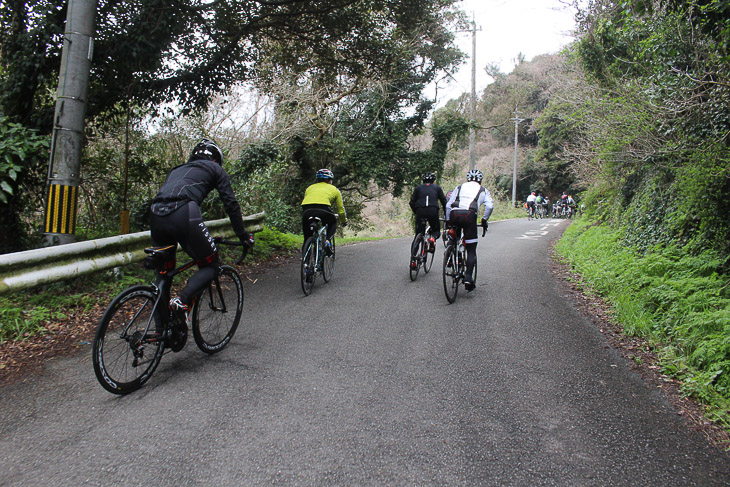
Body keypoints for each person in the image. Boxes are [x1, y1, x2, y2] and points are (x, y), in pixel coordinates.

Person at [149, 138, 255, 326]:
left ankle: (161, 332)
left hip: (156, 214)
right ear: (216, 159)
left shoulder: (177, 170)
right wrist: (243, 236)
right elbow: (231, 204)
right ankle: (182, 302)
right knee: (210, 265)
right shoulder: (215, 169)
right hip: (183, 213)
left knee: (163, 274)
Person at [445, 169, 493, 292]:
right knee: (471, 249)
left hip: (455, 214)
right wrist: (484, 220)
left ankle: (450, 254)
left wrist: (448, 220)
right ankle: (467, 277)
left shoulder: (459, 187)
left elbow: (448, 205)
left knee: (454, 236)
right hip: (469, 215)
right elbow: (490, 206)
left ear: (467, 179)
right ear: (480, 180)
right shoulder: (483, 190)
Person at [301, 168, 347, 254]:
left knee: (307, 238)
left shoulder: (309, 188)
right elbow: (341, 209)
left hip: (307, 211)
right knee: (332, 222)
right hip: (324, 210)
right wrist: (344, 221)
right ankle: (327, 241)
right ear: (329, 180)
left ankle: (305, 263)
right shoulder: (335, 190)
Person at [409, 172, 447, 263]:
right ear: (433, 181)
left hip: (420, 211)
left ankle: (413, 260)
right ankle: (433, 238)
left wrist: (416, 212)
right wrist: (446, 213)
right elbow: (444, 202)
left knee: (418, 235)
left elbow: (411, 202)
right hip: (433, 211)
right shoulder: (437, 188)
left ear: (423, 181)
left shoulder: (418, 188)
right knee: (436, 231)